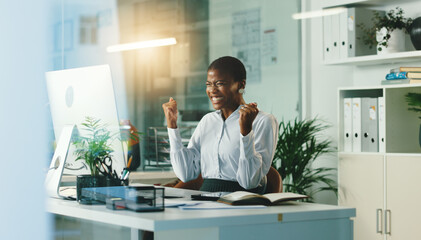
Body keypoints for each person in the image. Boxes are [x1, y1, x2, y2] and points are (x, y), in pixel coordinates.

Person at [162, 56, 278, 193]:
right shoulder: (207, 121)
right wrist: (172, 126)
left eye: (220, 83)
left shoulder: (263, 121)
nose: (212, 90)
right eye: (208, 84)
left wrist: (246, 132)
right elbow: (185, 174)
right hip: (206, 199)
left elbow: (249, 181)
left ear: (241, 85)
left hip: (242, 202)